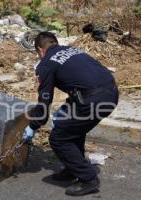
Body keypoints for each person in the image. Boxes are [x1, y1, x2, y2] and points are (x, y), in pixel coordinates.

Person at [22, 32, 119, 196]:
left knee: (58, 138)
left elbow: (44, 105)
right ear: (55, 43)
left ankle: (88, 178)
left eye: (38, 53)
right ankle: (73, 169)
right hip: (111, 93)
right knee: (71, 128)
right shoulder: (74, 51)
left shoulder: (45, 64)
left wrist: (32, 126)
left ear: (39, 49)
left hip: (93, 100)